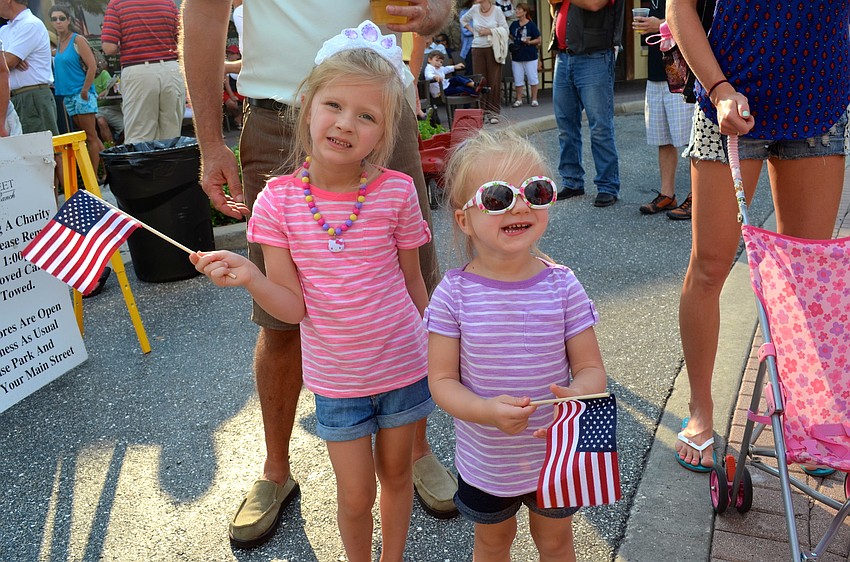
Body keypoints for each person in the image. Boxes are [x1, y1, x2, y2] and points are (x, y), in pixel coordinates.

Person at [180, 0, 459, 548]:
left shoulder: (393, 187)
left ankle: (415, 448)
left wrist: (437, 12)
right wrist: (210, 140)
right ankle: (276, 468)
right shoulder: (281, 200)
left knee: (410, 281)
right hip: (276, 107)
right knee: (279, 321)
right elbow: (207, 13)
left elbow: (415, 287)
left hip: (386, 92)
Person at [666, 0, 849, 473]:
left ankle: (800, 411)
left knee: (807, 278)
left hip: (820, 100)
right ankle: (701, 411)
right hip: (728, 99)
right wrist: (719, 87)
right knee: (710, 266)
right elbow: (678, 7)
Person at [426, 129, 607, 561]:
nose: (520, 204)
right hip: (487, 459)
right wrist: (485, 411)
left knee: (557, 540)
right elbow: (442, 380)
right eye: (496, 197)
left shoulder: (563, 285)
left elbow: (590, 368)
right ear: (464, 219)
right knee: (492, 542)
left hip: (555, 451)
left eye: (536, 191)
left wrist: (580, 393)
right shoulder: (454, 294)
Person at [549, 0, 624, 208]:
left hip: (595, 56)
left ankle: (608, 186)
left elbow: (594, 3)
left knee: (600, 126)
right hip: (564, 56)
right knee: (565, 126)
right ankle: (572, 181)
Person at [633, 0, 692, 219]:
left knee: (689, 139)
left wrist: (660, 24)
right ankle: (668, 194)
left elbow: (695, 23)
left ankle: (696, 197)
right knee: (663, 137)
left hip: (681, 70)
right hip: (656, 73)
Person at [101, 0, 185, 144]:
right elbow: (181, 39)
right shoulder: (168, 2)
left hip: (138, 70)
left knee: (139, 137)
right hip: (171, 69)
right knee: (171, 136)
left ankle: (144, 167)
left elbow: (109, 48)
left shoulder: (118, 3)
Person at [49, 5, 104, 181]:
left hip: (81, 94)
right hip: (68, 96)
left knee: (90, 136)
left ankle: (93, 177)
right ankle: (111, 165)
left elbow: (92, 66)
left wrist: (85, 91)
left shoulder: (77, 39)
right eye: (54, 19)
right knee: (85, 136)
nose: (58, 22)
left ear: (69, 20)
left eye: (61, 18)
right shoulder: (58, 43)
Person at [0, 0, 58, 136]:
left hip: (32, 97)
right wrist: (11, 58)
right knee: (21, 153)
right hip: (12, 98)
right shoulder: (4, 30)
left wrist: (10, 58)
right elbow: (7, 62)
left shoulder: (31, 24)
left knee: (43, 151)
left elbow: (8, 62)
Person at [460, 0, 508, 125]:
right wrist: (473, 31)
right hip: (477, 48)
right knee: (480, 81)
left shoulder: (497, 10)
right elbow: (463, 20)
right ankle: (481, 112)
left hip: (493, 48)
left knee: (493, 80)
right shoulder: (475, 9)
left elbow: (505, 29)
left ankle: (493, 113)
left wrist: (490, 31)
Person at [508, 3, 541, 108]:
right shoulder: (514, 24)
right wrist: (515, 41)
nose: (516, 11)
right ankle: (518, 100)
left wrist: (529, 42)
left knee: (532, 77)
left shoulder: (531, 25)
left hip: (530, 55)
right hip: (517, 55)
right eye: (516, 9)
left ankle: (534, 99)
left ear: (525, 12)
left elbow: (539, 39)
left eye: (519, 9)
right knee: (518, 78)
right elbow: (511, 35)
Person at [93, 55, 124, 145]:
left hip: (110, 106)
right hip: (96, 109)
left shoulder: (103, 74)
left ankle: (118, 144)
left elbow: (108, 89)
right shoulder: (83, 77)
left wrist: (98, 96)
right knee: (101, 122)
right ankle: (110, 146)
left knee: (125, 127)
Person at [459, 0, 475, 71]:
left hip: (484, 45)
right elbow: (465, 31)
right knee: (470, 71)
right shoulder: (464, 12)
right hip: (469, 46)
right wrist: (479, 31)